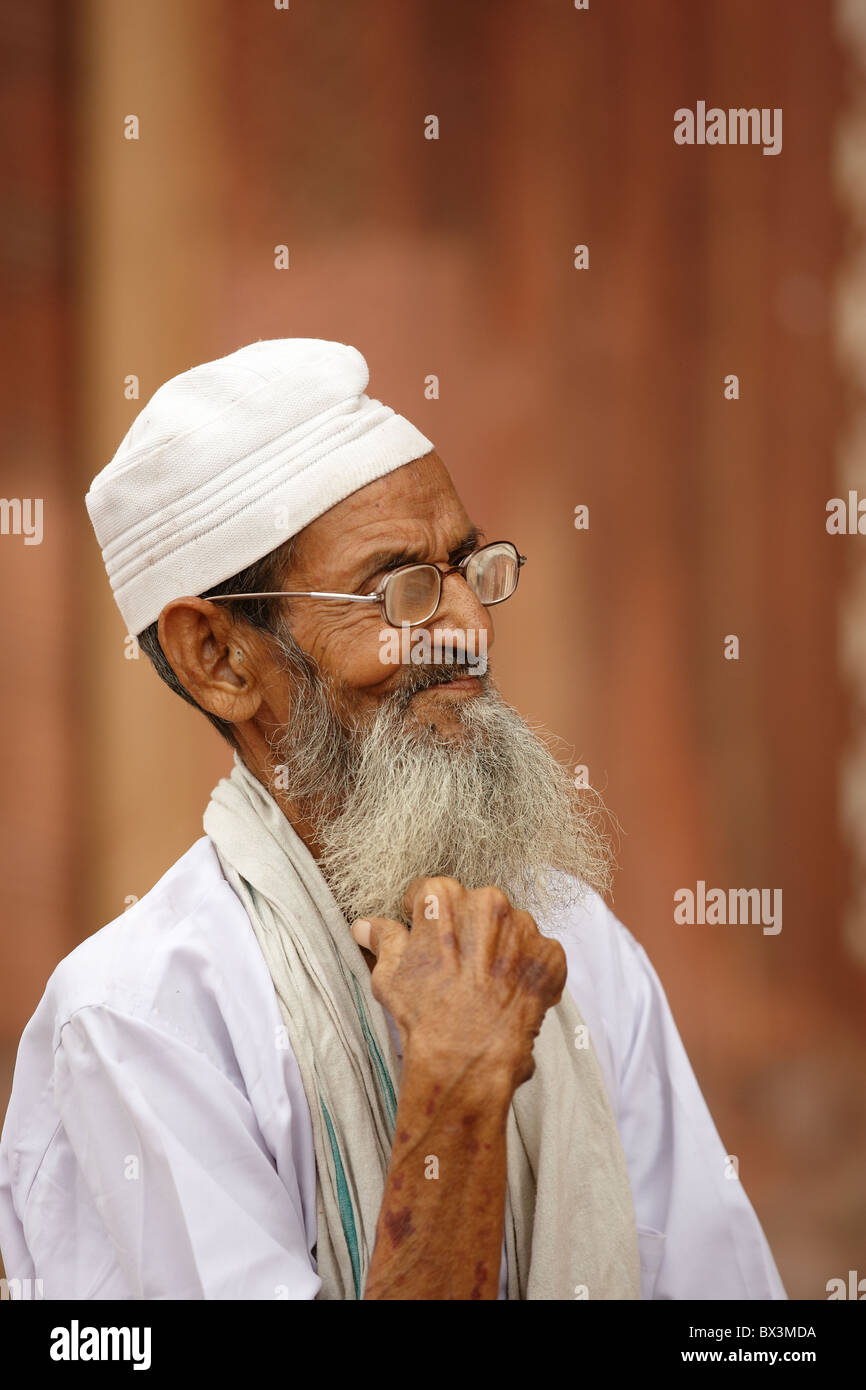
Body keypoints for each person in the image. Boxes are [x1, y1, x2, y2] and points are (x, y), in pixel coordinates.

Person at [0, 338, 787, 1300]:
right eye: (400, 587)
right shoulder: (142, 1018)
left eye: (466, 567)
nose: (471, 626)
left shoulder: (574, 943)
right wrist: (454, 1096)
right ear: (219, 656)